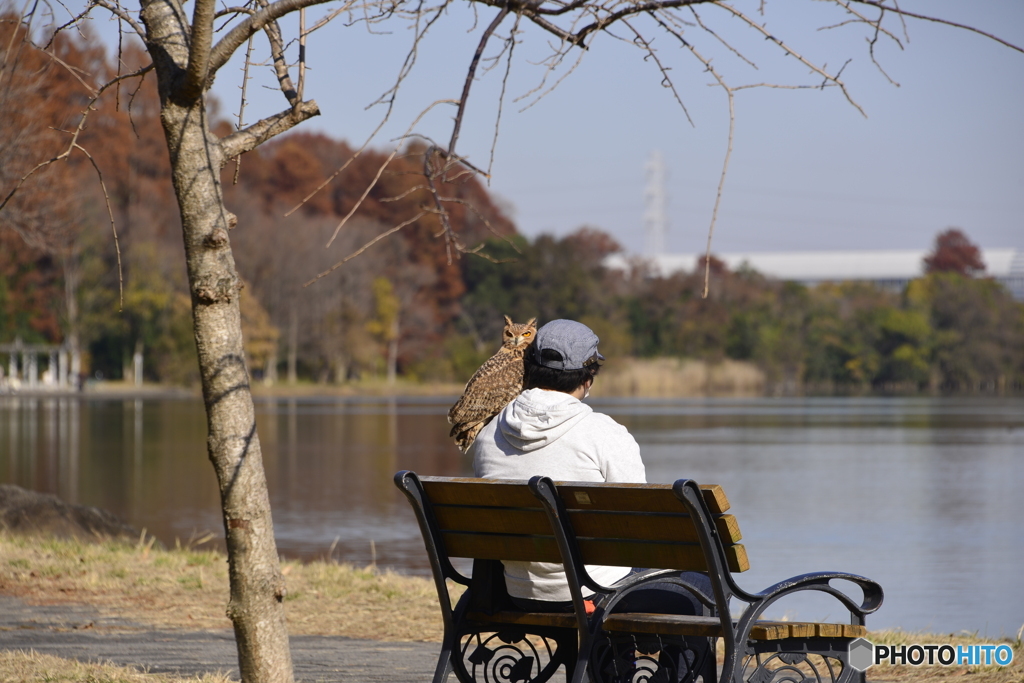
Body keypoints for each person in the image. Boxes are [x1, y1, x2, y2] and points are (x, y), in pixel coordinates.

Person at [470, 319, 711, 680]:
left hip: (516, 590)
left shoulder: (490, 434)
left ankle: (615, 670)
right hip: (590, 595)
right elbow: (638, 527)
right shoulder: (604, 434)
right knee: (701, 584)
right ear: (588, 376)